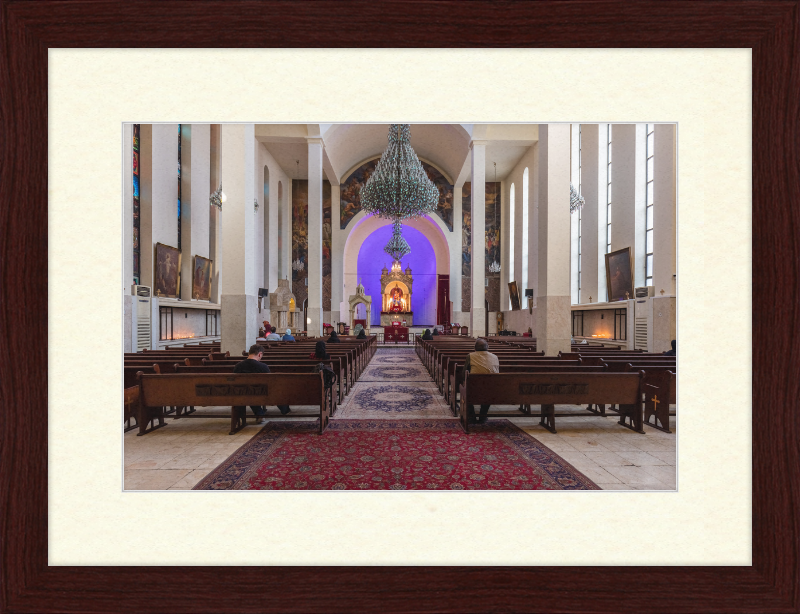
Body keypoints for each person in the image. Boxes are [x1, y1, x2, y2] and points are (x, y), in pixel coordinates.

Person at [233, 344, 290, 423]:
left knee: (250, 391)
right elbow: (270, 382)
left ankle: (259, 414)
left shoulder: (238, 366)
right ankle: (285, 410)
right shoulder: (262, 366)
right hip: (262, 393)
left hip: (242, 392)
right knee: (275, 389)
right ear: (260, 354)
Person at [464, 339, 499, 424]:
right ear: (487, 347)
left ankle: (472, 416)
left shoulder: (470, 356)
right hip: (493, 389)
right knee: (488, 387)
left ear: (475, 348)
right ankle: (482, 415)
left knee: (466, 388)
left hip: (474, 389)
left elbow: (464, 372)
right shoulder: (495, 357)